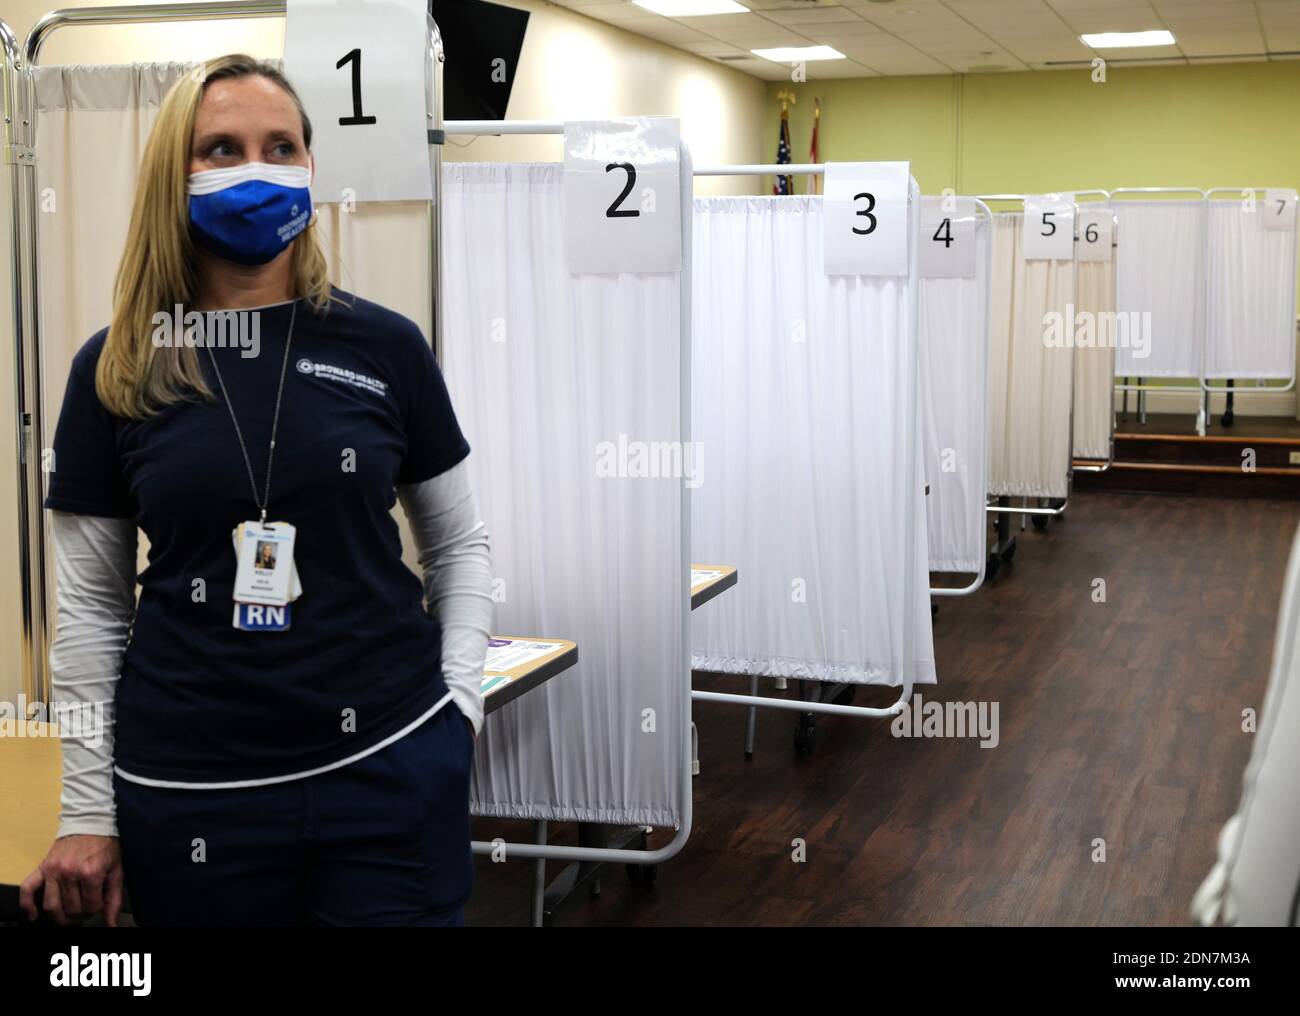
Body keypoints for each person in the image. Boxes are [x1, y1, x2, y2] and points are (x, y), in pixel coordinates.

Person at [19, 54, 493, 926]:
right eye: (222, 149)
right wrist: (87, 810)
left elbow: (460, 547)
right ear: (175, 173)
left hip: (388, 774)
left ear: (311, 169)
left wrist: (458, 712)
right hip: (195, 797)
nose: (258, 168)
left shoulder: (385, 347)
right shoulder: (115, 368)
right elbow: (88, 607)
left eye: (282, 146)